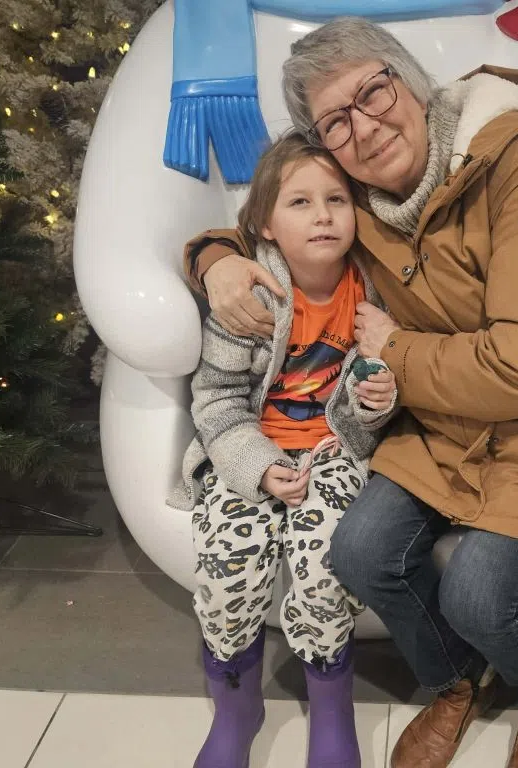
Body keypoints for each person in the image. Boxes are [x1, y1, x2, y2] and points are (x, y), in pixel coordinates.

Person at [182, 18, 518, 768]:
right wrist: (216, 259)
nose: (364, 127)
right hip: (445, 420)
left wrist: (395, 349)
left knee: (477, 595)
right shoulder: (360, 199)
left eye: (373, 91)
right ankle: (457, 681)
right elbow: (282, 217)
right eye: (336, 121)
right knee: (362, 552)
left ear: (415, 84)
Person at [167, 131, 399, 768]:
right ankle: (236, 708)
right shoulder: (252, 298)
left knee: (328, 565)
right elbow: (217, 401)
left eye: (336, 200)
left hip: (334, 454)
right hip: (246, 451)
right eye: (300, 202)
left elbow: (373, 406)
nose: (323, 215)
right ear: (265, 224)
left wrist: (377, 397)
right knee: (228, 565)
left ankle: (331, 709)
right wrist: (259, 465)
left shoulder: (372, 294)